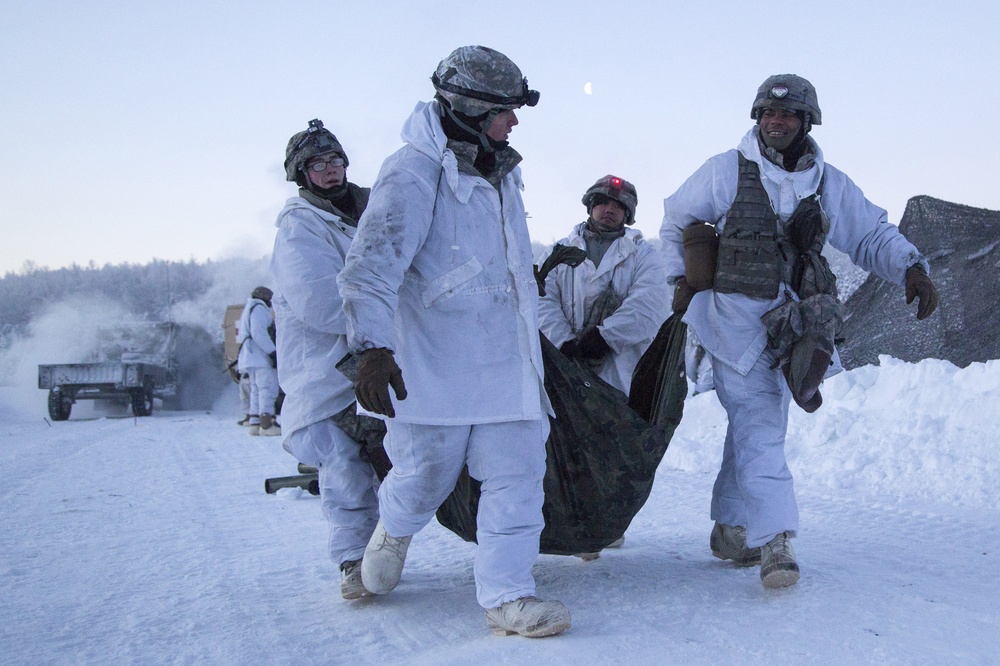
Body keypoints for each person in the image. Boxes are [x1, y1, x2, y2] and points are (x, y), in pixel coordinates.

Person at [659, 74, 939, 589]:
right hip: (735, 322)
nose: (775, 121)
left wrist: (911, 268)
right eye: (767, 112)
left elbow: (871, 233)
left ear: (806, 121)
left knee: (756, 422)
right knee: (761, 420)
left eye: (786, 114)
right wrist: (678, 278)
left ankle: (730, 526)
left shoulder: (827, 183)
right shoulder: (725, 171)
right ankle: (776, 541)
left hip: (796, 322)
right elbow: (676, 220)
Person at [337, 45, 571, 638]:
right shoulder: (413, 171)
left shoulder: (504, 170)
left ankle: (508, 597)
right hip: (436, 364)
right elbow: (371, 267)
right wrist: (372, 347)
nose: (515, 122)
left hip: (507, 364)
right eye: (505, 110)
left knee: (518, 478)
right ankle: (392, 531)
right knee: (423, 479)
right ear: (468, 108)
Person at [269, 118, 379, 600]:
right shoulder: (299, 231)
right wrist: (391, 316)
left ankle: (384, 553)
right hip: (326, 380)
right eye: (319, 165)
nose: (331, 171)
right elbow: (324, 305)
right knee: (345, 466)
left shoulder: (370, 212)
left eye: (336, 162)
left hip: (382, 364)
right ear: (301, 174)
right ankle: (354, 563)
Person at [538, 174, 669, 398]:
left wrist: (605, 338)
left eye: (618, 205)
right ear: (590, 207)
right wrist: (562, 341)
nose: (609, 209)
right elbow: (540, 297)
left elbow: (649, 305)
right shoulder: (558, 252)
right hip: (562, 369)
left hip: (620, 374)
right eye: (602, 202)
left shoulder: (644, 255)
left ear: (627, 215)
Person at [236, 286, 281, 436]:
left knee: (256, 390)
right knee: (268, 389)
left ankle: (254, 422)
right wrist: (272, 352)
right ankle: (267, 424)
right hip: (260, 357)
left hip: (249, 357)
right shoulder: (259, 309)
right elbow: (259, 333)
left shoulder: (249, 308)